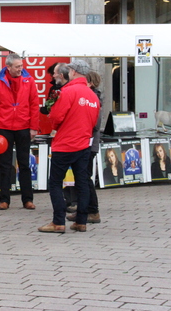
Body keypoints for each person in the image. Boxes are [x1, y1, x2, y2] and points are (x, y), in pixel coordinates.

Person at [39, 60, 99, 233]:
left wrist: (54, 121)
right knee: (82, 183)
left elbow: (56, 117)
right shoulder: (92, 95)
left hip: (65, 144)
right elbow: (94, 122)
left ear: (73, 72)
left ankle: (58, 221)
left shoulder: (68, 91)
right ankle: (81, 221)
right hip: (83, 144)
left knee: (55, 183)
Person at [0, 53, 39, 210]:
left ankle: (27, 199)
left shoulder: (29, 80)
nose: (20, 69)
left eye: (21, 66)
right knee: (5, 164)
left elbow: (34, 104)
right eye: (17, 67)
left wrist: (33, 127)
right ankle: (4, 199)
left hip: (23, 126)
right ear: (8, 67)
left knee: (24, 164)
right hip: (4, 127)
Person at [67, 70, 102, 224]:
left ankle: (92, 210)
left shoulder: (94, 98)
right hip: (85, 142)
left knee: (85, 178)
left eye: (85, 81)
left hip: (89, 143)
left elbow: (94, 124)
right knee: (82, 177)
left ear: (91, 83)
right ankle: (84, 208)